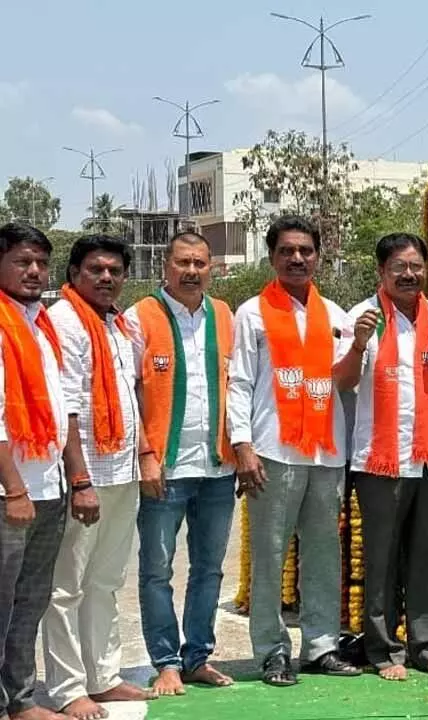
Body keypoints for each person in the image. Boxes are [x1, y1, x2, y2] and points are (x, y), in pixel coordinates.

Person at [228, 215, 360, 686]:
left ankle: (321, 645)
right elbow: (239, 382)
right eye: (288, 251)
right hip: (273, 450)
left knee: (324, 550)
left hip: (326, 450)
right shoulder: (253, 313)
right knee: (269, 553)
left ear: (318, 257)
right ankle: (271, 650)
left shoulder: (338, 316)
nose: (298, 259)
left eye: (306, 251)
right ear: (272, 258)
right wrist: (242, 445)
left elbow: (348, 380)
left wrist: (360, 345)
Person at [43, 235, 160, 720]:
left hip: (122, 470)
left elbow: (132, 396)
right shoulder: (64, 323)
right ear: (73, 274)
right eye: (96, 269)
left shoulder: (122, 324)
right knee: (67, 585)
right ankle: (69, 688)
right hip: (85, 474)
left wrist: (145, 455)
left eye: (115, 270)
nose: (107, 278)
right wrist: (80, 479)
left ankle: (103, 676)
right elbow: (67, 407)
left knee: (107, 580)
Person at [336, 233, 428, 680]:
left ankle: (426, 645)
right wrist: (359, 344)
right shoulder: (362, 317)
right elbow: (344, 382)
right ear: (380, 273)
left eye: (416, 266)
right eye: (398, 268)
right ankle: (383, 650)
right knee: (381, 558)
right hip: (381, 461)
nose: (409, 275)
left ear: (426, 269)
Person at [124, 231, 237, 695]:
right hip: (164, 471)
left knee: (209, 569)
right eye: (183, 263)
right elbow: (130, 394)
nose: (192, 271)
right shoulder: (140, 318)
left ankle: (197, 657)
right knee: (157, 569)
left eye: (200, 263)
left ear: (212, 268)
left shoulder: (225, 315)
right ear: (165, 267)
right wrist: (146, 455)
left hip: (217, 468)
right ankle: (166, 660)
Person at [0, 223, 88, 720]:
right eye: (22, 261)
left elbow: (62, 408)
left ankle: (19, 698)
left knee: (29, 602)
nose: (33, 271)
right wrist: (14, 488)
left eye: (39, 263)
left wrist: (73, 479)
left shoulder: (40, 323)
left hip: (47, 484)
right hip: (11, 491)